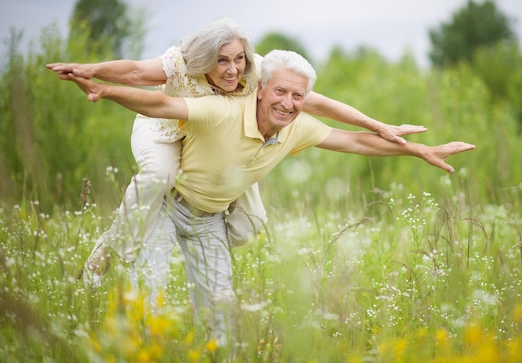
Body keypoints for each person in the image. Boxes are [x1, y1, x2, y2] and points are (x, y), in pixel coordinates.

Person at [62, 49, 475, 350]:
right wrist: (105, 91)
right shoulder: (222, 110)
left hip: (209, 218)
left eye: (298, 97)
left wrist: (419, 150)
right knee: (146, 300)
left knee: (221, 318)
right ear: (259, 89)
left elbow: (355, 141)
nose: (288, 103)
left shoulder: (297, 126)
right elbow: (159, 101)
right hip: (167, 207)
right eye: (280, 92)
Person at [47, 18, 424, 288]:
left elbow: (319, 103)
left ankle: (200, 235)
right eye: (222, 60)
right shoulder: (178, 64)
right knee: (160, 179)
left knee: (251, 221)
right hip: (164, 128)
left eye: (238, 59)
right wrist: (92, 73)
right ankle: (113, 250)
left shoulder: (258, 72)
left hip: (221, 140)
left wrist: (378, 126)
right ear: (204, 58)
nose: (232, 70)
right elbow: (132, 73)